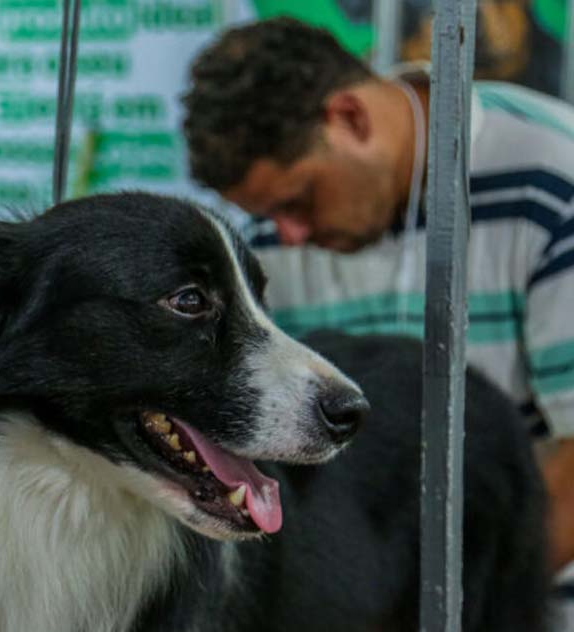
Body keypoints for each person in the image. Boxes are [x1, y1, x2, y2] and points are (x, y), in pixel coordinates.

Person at [181, 17, 574, 579]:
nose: (287, 237)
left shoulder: (555, 181)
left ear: (350, 117)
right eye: (266, 214)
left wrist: (462, 609)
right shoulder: (269, 238)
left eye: (300, 200)